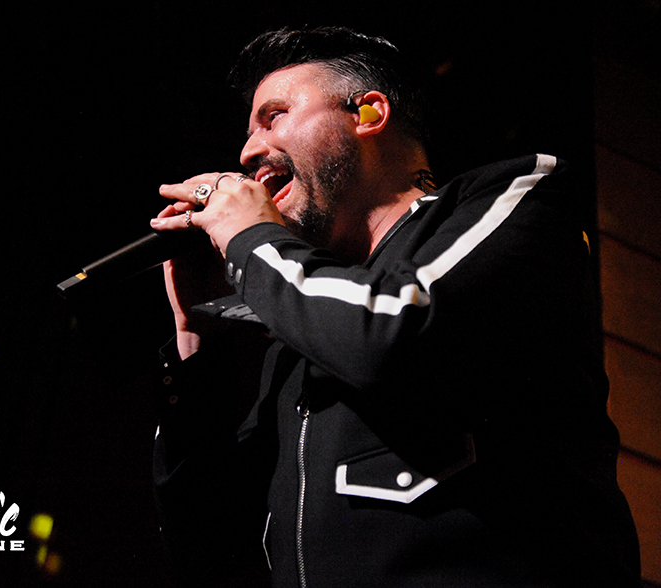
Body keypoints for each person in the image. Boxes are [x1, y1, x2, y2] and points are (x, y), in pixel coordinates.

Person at [148, 26, 641, 588]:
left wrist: (252, 241)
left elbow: (391, 328)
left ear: (368, 113)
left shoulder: (520, 196)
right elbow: (205, 547)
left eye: (274, 116)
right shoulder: (300, 344)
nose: (247, 153)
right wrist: (197, 341)